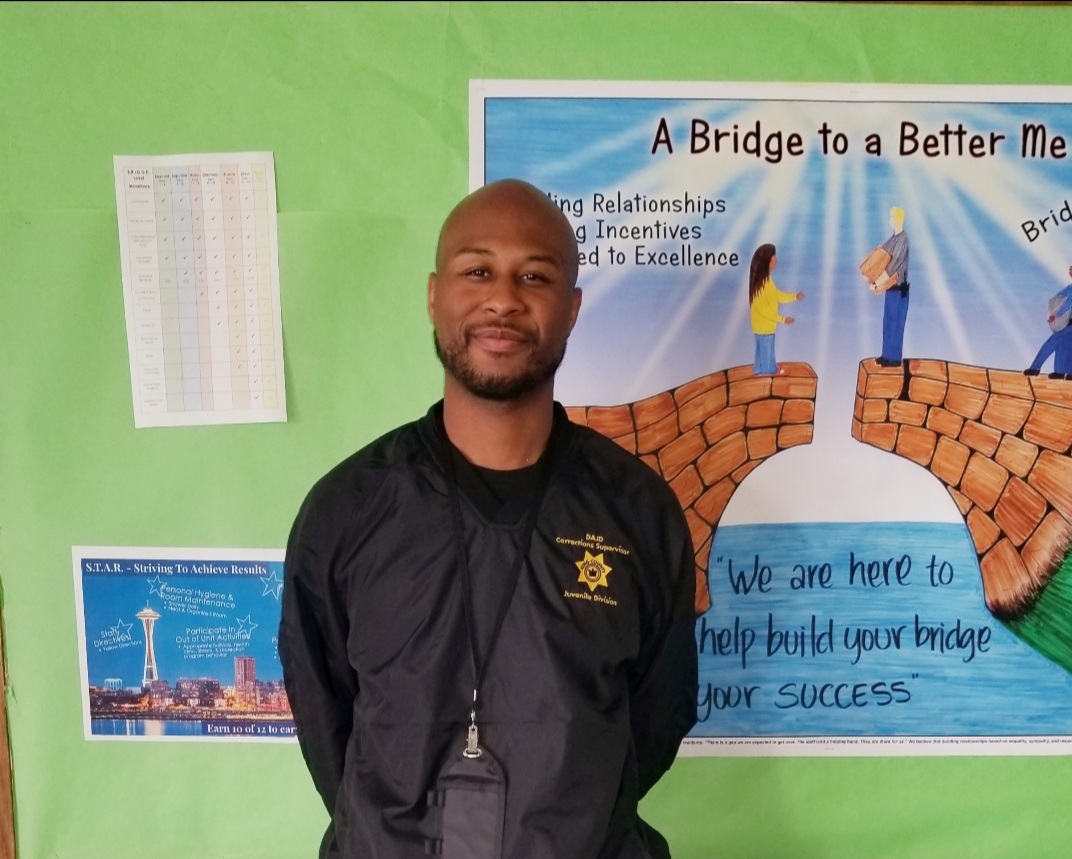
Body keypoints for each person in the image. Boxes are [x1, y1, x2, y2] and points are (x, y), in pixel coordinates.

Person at [279, 178, 699, 859]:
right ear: (433, 295)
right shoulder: (347, 509)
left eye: (534, 276)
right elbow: (323, 710)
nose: (503, 298)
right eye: (477, 271)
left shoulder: (635, 511)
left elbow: (657, 714)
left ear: (572, 309)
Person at [748, 242, 804, 376]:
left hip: (763, 327)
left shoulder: (766, 281)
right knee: (767, 356)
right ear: (766, 262)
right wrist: (782, 319)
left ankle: (761, 373)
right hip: (764, 327)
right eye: (773, 259)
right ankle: (768, 375)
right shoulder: (762, 284)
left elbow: (777, 295)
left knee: (761, 357)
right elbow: (764, 310)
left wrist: (794, 296)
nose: (776, 261)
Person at [873, 206, 911, 368]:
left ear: (898, 219)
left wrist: (877, 281)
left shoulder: (903, 240)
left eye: (891, 217)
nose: (889, 220)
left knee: (896, 323)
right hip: (891, 288)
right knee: (887, 321)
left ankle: (894, 358)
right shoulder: (894, 239)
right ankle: (886, 354)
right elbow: (883, 251)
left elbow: (892, 265)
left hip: (899, 288)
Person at [1024, 264, 1072, 380]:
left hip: (1068, 323)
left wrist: (1056, 315)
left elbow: (1068, 303)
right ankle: (1062, 372)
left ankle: (1035, 368)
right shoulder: (1069, 287)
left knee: (1052, 343)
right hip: (1068, 322)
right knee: (1065, 347)